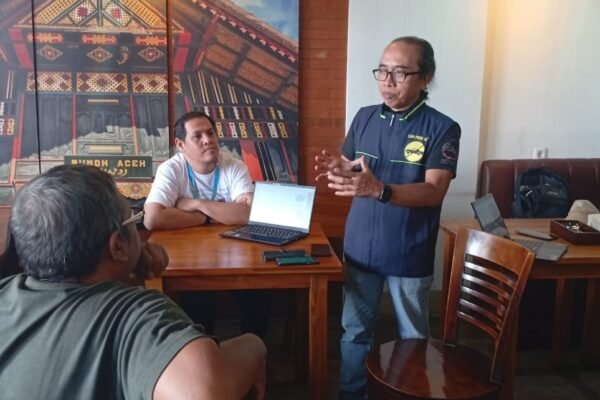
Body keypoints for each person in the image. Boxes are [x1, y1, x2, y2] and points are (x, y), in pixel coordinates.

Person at [0, 165, 266, 400]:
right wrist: (254, 345)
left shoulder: (6, 292)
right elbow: (203, 393)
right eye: (134, 219)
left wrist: (127, 267)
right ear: (117, 246)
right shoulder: (135, 315)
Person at [315, 36, 461, 400]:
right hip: (360, 247)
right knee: (354, 332)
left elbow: (435, 190)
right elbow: (352, 165)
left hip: (408, 250)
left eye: (399, 73)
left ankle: (412, 394)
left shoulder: (442, 128)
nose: (387, 81)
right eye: (382, 71)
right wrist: (340, 167)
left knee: (413, 336)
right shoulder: (365, 116)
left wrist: (381, 190)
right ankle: (352, 394)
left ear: (425, 78)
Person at [144, 110, 270, 337]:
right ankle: (207, 350)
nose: (207, 140)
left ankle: (255, 350)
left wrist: (196, 204)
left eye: (211, 133)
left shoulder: (234, 166)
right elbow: (152, 218)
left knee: (259, 297)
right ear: (181, 144)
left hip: (236, 257)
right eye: (198, 136)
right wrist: (210, 217)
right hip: (190, 260)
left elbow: (248, 214)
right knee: (198, 302)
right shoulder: (171, 169)